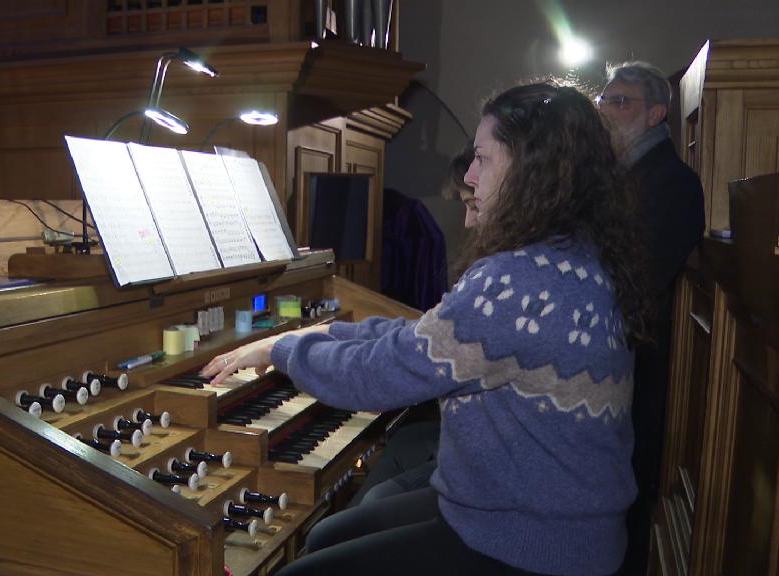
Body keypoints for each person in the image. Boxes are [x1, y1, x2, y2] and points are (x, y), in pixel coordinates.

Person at [203, 82, 650, 576]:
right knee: (329, 531)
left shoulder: (520, 280)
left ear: (530, 166)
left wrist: (286, 349)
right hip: (532, 517)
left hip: (530, 544)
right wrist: (321, 336)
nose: (472, 175)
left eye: (482, 157)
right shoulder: (571, 259)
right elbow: (427, 341)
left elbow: (378, 377)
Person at [598, 61, 705, 574]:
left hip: (638, 363)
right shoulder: (619, 177)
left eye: (623, 103)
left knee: (627, 504)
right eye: (606, 101)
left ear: (657, 114)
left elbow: (636, 282)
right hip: (611, 360)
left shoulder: (672, 182)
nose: (609, 112)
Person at [344, 144, 479, 509]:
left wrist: (294, 348)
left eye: (473, 205)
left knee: (350, 521)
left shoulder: (503, 284)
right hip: (468, 448)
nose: (467, 223)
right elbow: (422, 336)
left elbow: (416, 352)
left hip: (481, 482)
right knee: (398, 449)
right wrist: (323, 334)